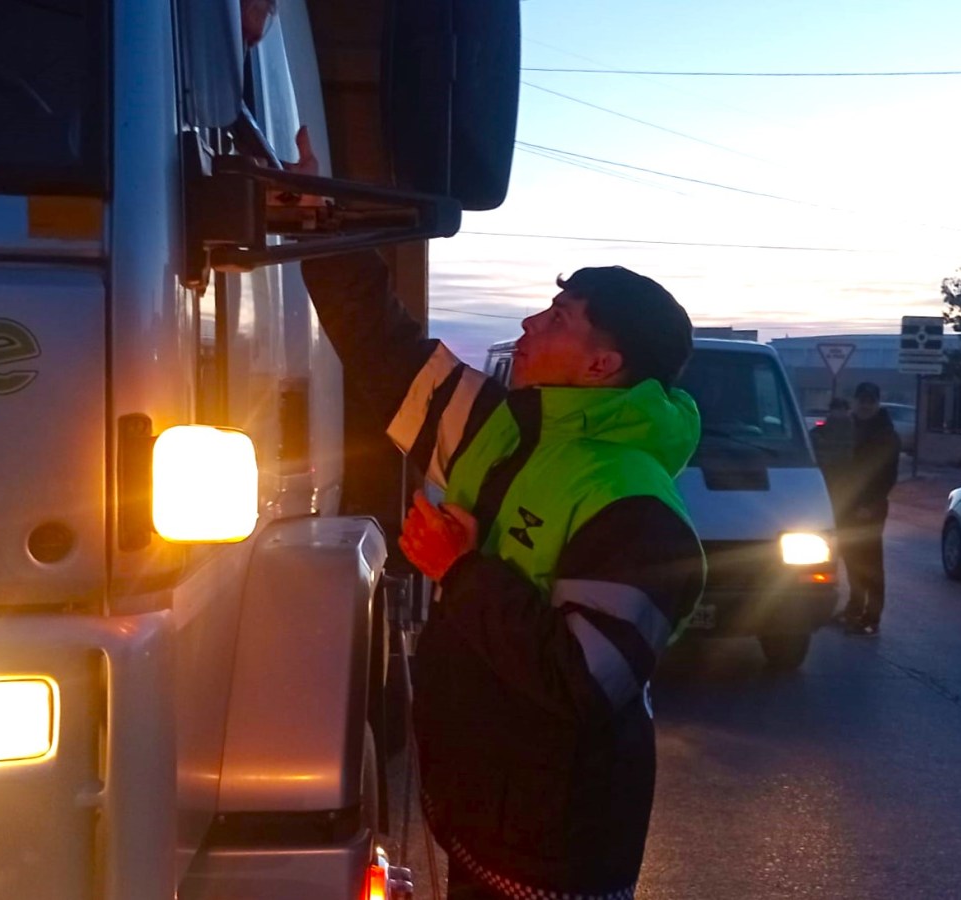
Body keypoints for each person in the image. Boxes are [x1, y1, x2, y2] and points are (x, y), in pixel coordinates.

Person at [292, 132, 704, 900]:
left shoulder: (638, 503)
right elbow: (381, 344)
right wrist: (319, 216)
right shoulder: (503, 426)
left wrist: (461, 569)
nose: (531, 323)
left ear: (602, 365)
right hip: (483, 815)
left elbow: (585, 681)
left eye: (560, 317)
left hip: (557, 848)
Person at [832, 382, 901, 636]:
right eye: (862, 400)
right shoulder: (848, 429)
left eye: (871, 401)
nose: (866, 405)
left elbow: (887, 477)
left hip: (870, 508)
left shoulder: (886, 435)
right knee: (851, 558)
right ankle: (854, 607)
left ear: (877, 403)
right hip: (847, 505)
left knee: (870, 562)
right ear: (855, 401)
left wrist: (869, 505)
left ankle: (872, 617)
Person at [809, 396, 854, 523]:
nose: (839, 413)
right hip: (828, 478)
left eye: (842, 410)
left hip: (843, 480)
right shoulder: (820, 431)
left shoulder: (854, 431)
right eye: (837, 409)